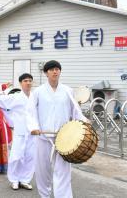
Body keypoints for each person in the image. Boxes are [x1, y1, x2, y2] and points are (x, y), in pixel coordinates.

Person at [27, 60, 88, 198]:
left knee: (63, 171)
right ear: (46, 72)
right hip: (43, 137)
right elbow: (30, 112)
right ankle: (45, 195)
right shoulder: (38, 92)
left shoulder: (67, 90)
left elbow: (75, 110)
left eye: (57, 69)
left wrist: (84, 120)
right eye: (51, 69)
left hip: (63, 137)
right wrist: (34, 127)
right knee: (43, 170)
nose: (55, 71)